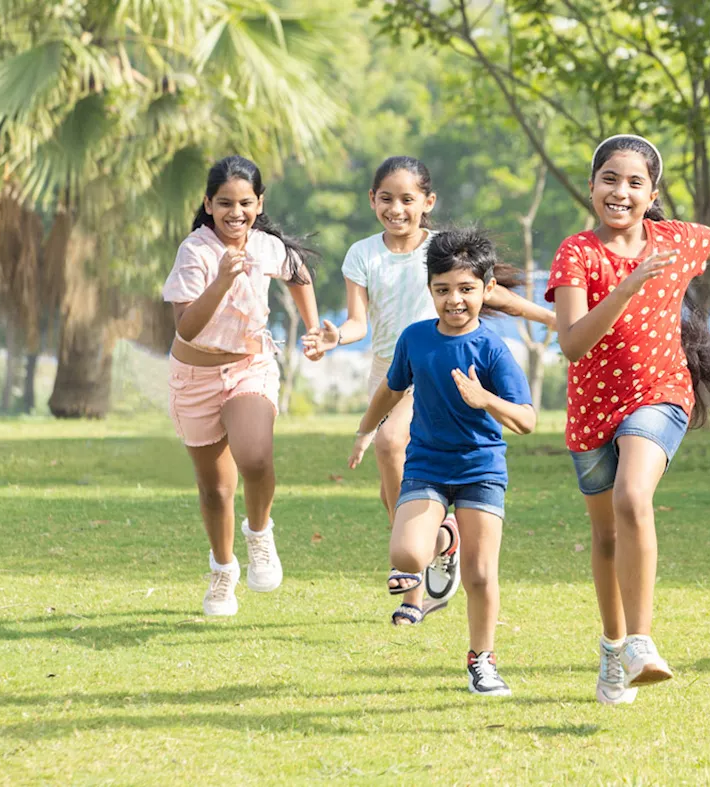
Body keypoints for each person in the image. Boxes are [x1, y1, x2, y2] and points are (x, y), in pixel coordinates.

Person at [546, 134, 710, 704]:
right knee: (605, 537)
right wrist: (627, 286)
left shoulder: (677, 240)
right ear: (592, 186)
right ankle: (612, 649)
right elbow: (575, 344)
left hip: (660, 395)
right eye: (610, 178)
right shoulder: (577, 252)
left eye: (635, 182)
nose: (620, 192)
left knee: (634, 497)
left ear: (652, 192)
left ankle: (641, 641)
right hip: (590, 411)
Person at [304, 156, 554, 625]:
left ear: (427, 202)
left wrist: (551, 318)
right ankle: (436, 543)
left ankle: (417, 581)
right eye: (386, 198)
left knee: (389, 439)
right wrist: (335, 336)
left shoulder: (442, 251)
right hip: (390, 363)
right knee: (390, 481)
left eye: (407, 199)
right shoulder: (362, 254)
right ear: (371, 200)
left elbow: (492, 292)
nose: (396, 208)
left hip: (433, 363)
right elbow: (359, 321)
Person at [349, 227, 535, 696]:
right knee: (405, 555)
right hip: (427, 465)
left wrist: (485, 398)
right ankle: (443, 538)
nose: (455, 300)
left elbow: (527, 420)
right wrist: (365, 430)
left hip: (480, 469)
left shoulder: (493, 348)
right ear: (429, 288)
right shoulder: (415, 339)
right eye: (443, 289)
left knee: (479, 575)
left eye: (467, 289)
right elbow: (390, 389)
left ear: (487, 288)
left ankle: (482, 662)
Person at [162, 155, 328, 617]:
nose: (236, 213)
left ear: (259, 203)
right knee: (215, 490)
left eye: (246, 203)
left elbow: (297, 272)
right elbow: (187, 328)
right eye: (225, 204)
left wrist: (313, 329)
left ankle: (260, 535)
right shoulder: (195, 252)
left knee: (255, 455)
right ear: (208, 204)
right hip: (194, 377)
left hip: (250, 367)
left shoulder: (265, 245)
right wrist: (221, 280)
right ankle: (222, 571)